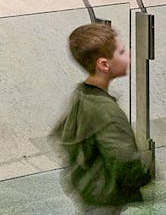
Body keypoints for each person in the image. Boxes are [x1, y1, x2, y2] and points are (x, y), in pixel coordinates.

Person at [51, 23, 156, 214]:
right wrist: (148, 170)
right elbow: (124, 162)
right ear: (104, 65)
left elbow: (61, 134)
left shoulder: (82, 95)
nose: (129, 54)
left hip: (90, 192)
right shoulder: (106, 112)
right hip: (104, 199)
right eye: (122, 52)